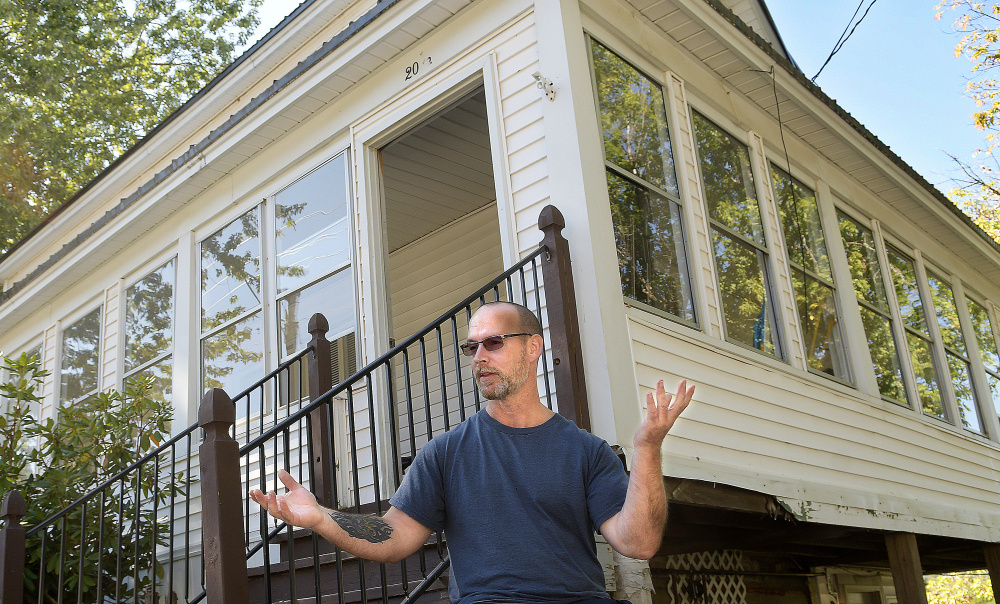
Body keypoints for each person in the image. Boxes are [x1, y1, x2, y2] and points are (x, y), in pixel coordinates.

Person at [249, 301, 694, 603]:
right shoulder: (445, 453)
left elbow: (638, 543)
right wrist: (322, 517)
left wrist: (648, 449)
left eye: (494, 343)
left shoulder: (586, 451)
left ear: (533, 347)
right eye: (471, 347)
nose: (479, 356)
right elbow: (394, 538)